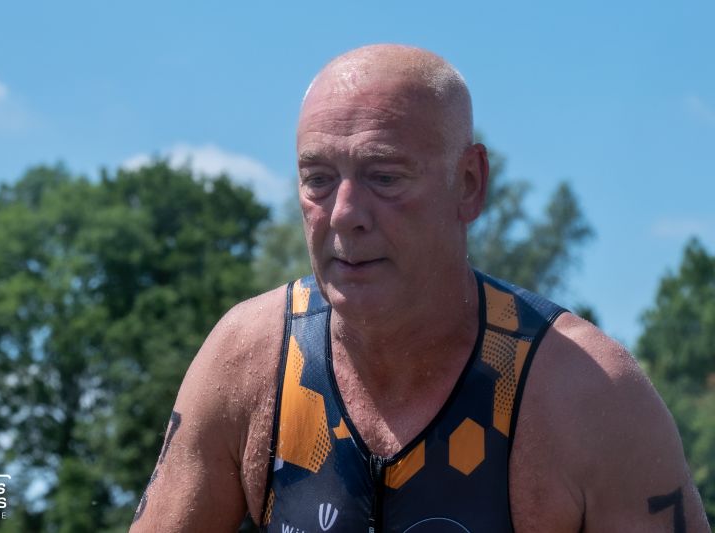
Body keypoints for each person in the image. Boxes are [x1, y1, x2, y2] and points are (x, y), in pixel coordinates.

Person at [129, 44, 710, 532]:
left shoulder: (587, 394)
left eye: (384, 177)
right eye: (318, 179)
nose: (344, 214)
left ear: (469, 183)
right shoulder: (249, 360)